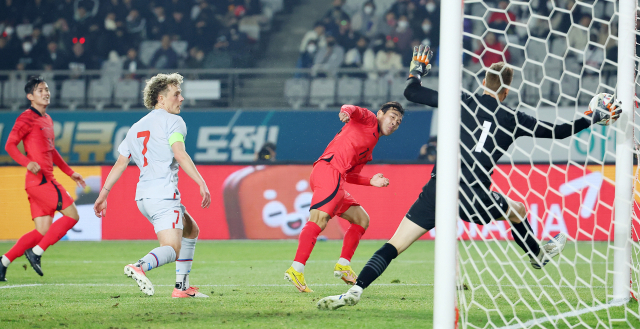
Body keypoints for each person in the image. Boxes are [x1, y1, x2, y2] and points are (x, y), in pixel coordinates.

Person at [317, 45, 622, 310]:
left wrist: (417, 69)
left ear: (483, 83)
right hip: (474, 194)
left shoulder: (461, 101)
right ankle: (536, 254)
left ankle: (355, 290)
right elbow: (558, 132)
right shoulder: (513, 118)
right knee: (518, 210)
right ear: (506, 91)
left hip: (438, 189)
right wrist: (593, 115)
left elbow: (411, 92)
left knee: (394, 245)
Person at [93, 73, 212, 298]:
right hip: (164, 196)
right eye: (176, 94)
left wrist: (103, 194)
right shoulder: (174, 121)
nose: (181, 98)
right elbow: (179, 153)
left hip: (144, 198)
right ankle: (140, 266)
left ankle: (182, 288)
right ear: (161, 98)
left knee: (191, 230)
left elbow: (120, 163)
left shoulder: (135, 127)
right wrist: (201, 182)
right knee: (172, 249)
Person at [284, 101, 404, 292]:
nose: (394, 123)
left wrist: (370, 181)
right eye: (392, 117)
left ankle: (343, 265)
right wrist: (345, 113)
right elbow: (352, 108)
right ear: (380, 113)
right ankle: (296, 269)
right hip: (328, 170)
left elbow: (352, 176)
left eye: (398, 122)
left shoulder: (370, 147)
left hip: (336, 177)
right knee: (319, 219)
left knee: (361, 219)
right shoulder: (369, 119)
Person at [1, 76, 87, 282]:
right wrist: (26, 162)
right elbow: (9, 145)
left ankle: (3, 262)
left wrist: (70, 172)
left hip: (38, 183)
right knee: (73, 216)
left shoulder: (47, 119)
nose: (46, 93)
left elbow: (51, 151)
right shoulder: (25, 118)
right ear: (30, 96)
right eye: (40, 90)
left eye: (47, 89)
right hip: (41, 181)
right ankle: (36, 253)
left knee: (42, 231)